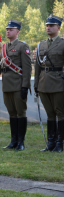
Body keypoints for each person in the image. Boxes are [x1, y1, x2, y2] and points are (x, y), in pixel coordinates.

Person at [0, 19, 32, 151]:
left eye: (11, 29)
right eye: (7, 29)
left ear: (17, 31)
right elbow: (0, 66)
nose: (8, 31)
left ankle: (21, 142)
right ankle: (13, 141)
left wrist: (25, 86)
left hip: (18, 85)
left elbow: (27, 69)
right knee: (12, 113)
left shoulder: (23, 46)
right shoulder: (3, 47)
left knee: (20, 113)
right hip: (6, 85)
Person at [34, 14, 64, 152]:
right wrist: (36, 86)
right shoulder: (41, 45)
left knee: (60, 113)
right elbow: (38, 66)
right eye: (47, 25)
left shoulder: (62, 43)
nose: (48, 28)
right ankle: (51, 142)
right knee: (50, 114)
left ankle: (59, 143)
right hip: (43, 83)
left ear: (58, 27)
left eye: (51, 25)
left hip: (58, 83)